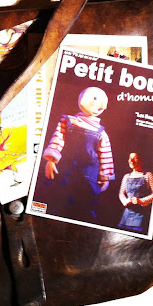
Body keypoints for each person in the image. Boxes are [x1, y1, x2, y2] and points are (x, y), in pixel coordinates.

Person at [43, 87, 114, 222]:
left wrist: (105, 176)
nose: (101, 106)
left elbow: (106, 155)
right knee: (61, 194)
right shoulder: (67, 121)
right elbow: (58, 139)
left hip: (89, 173)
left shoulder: (101, 132)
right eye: (95, 98)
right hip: (66, 168)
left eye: (103, 102)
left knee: (85, 199)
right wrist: (51, 160)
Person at [118, 152, 153, 234]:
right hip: (127, 215)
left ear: (141, 161)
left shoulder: (148, 175)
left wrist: (141, 201)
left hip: (141, 214)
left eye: (135, 158)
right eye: (130, 158)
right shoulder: (126, 177)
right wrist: (125, 201)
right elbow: (121, 193)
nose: (131, 160)